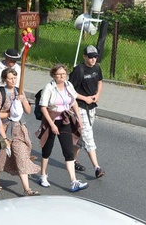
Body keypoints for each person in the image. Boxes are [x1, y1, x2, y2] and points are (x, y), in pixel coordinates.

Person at [38, 63, 87, 192]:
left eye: (64, 74)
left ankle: (73, 181)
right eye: (59, 74)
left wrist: (79, 118)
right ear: (54, 75)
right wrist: (52, 124)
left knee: (69, 151)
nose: (62, 76)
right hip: (52, 120)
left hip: (65, 120)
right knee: (47, 150)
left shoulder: (68, 85)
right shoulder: (49, 88)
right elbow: (43, 107)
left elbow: (74, 101)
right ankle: (43, 175)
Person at [0, 67, 40, 196]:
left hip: (18, 129)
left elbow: (28, 111)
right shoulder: (0, 94)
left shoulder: (19, 91)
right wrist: (10, 113)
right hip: (4, 129)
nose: (13, 80)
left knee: (21, 156)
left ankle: (27, 189)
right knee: (1, 156)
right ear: (4, 79)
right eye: (10, 78)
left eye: (15, 78)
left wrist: (23, 99)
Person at [69, 45, 106, 179]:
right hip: (80, 107)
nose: (93, 59)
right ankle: (97, 167)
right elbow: (70, 90)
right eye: (90, 57)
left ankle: (72, 160)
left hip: (92, 106)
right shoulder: (79, 70)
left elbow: (100, 82)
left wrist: (97, 94)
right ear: (84, 56)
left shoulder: (97, 68)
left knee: (80, 135)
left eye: (95, 57)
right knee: (88, 136)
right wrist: (85, 98)